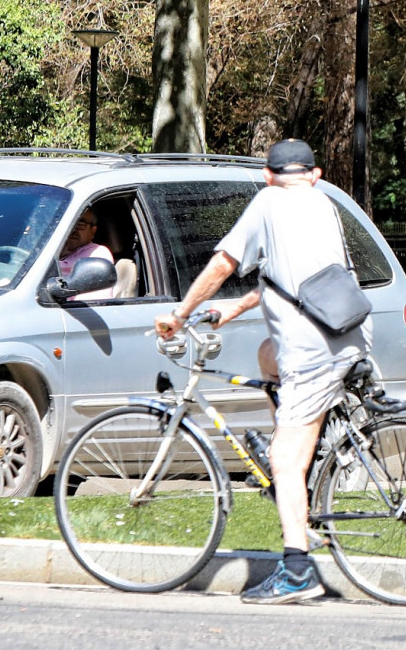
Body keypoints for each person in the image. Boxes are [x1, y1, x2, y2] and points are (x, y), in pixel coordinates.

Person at [154, 139, 371, 605]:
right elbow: (293, 279)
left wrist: (181, 312)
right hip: (348, 333)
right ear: (313, 174)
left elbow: (223, 263)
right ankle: (309, 451)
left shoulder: (268, 200)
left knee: (284, 460)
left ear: (268, 175)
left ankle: (297, 571)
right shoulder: (323, 201)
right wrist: (235, 308)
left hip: (312, 351)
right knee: (267, 354)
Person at [59, 207, 114, 301]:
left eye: (80, 224)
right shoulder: (47, 251)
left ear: (93, 231)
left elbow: (91, 303)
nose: (72, 229)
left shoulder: (97, 253)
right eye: (69, 223)